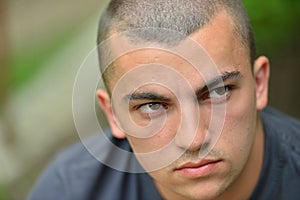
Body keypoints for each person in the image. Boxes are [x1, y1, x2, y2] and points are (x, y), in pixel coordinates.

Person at [28, 0, 300, 199]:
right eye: (152, 106)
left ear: (260, 84)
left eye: (218, 92)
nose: (194, 139)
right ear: (113, 115)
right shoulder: (69, 191)